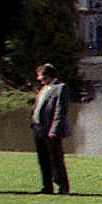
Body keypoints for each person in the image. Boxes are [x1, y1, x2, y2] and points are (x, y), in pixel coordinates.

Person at [31, 62, 71, 194]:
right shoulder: (43, 88)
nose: (39, 79)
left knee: (56, 160)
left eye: (41, 76)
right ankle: (47, 187)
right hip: (38, 129)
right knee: (43, 160)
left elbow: (60, 111)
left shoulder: (60, 88)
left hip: (50, 130)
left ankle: (63, 187)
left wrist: (54, 130)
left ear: (48, 75)